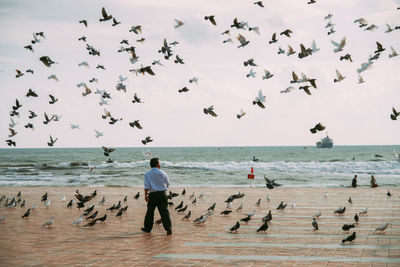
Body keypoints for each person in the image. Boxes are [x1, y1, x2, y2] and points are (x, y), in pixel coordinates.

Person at [141, 158, 172, 235]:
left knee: (150, 212)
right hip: (162, 194)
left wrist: (145, 196)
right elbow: (168, 183)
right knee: (164, 212)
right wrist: (163, 189)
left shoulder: (147, 174)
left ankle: (147, 229)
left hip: (152, 195)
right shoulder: (163, 173)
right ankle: (168, 228)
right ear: (157, 164)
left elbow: (146, 186)